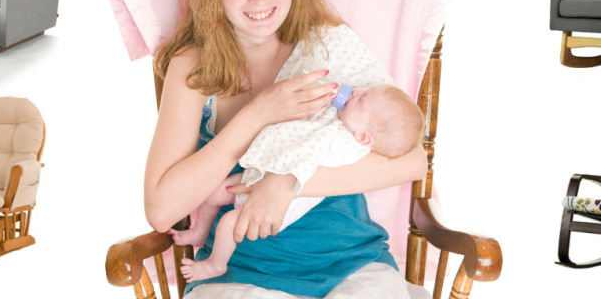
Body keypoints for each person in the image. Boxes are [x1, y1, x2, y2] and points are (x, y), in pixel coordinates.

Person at [144, 0, 427, 298]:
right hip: (244, 272)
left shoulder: (328, 47)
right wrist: (259, 113)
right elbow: (160, 210)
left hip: (352, 262)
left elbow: (413, 159)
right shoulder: (194, 68)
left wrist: (286, 183)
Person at [170, 84, 425, 282]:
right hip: (263, 174)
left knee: (228, 224)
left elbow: (306, 155)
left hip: (280, 200)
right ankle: (199, 231)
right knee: (216, 190)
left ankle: (217, 264)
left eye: (362, 98)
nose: (356, 91)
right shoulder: (345, 123)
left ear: (364, 136)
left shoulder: (346, 147)